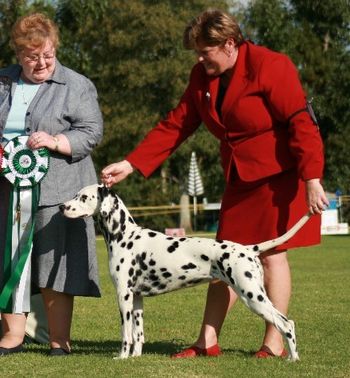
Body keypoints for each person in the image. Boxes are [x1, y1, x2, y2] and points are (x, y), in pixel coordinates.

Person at [101, 9, 328, 359]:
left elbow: (301, 122)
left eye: (204, 50)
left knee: (271, 256)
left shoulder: (271, 65)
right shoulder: (201, 77)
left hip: (279, 175)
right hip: (239, 177)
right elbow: (176, 124)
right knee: (221, 258)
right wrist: (132, 164)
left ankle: (274, 341)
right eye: (196, 51)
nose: (199, 57)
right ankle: (207, 341)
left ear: (229, 43)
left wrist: (312, 177)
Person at [0, 13, 103, 356]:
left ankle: (60, 339)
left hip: (58, 191)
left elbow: (91, 133)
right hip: (7, 191)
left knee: (53, 263)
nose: (41, 63)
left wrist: (56, 139)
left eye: (48, 55)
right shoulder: (3, 82)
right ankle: (12, 336)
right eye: (32, 57)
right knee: (9, 259)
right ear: (18, 54)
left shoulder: (76, 85)